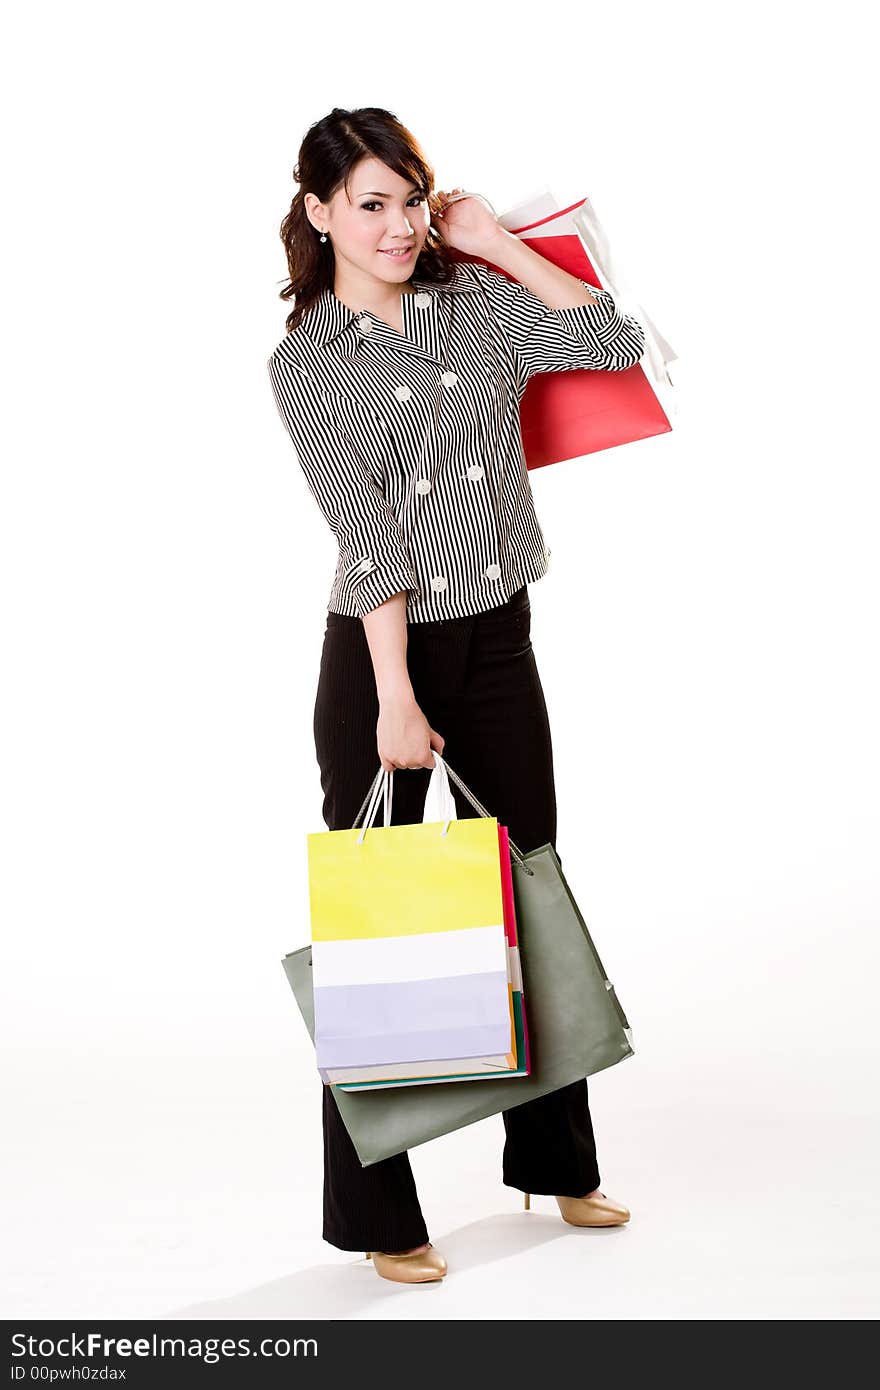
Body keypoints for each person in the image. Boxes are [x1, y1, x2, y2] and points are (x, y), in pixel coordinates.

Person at [267, 106, 646, 1285]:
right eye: (368, 204)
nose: (394, 226)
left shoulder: (470, 300)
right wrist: (392, 700)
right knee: (387, 925)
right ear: (320, 211)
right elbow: (368, 540)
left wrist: (499, 241)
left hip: (496, 637)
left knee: (528, 884)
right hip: (385, 652)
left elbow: (615, 343)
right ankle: (380, 1214)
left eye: (409, 200)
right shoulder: (309, 361)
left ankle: (555, 1161)